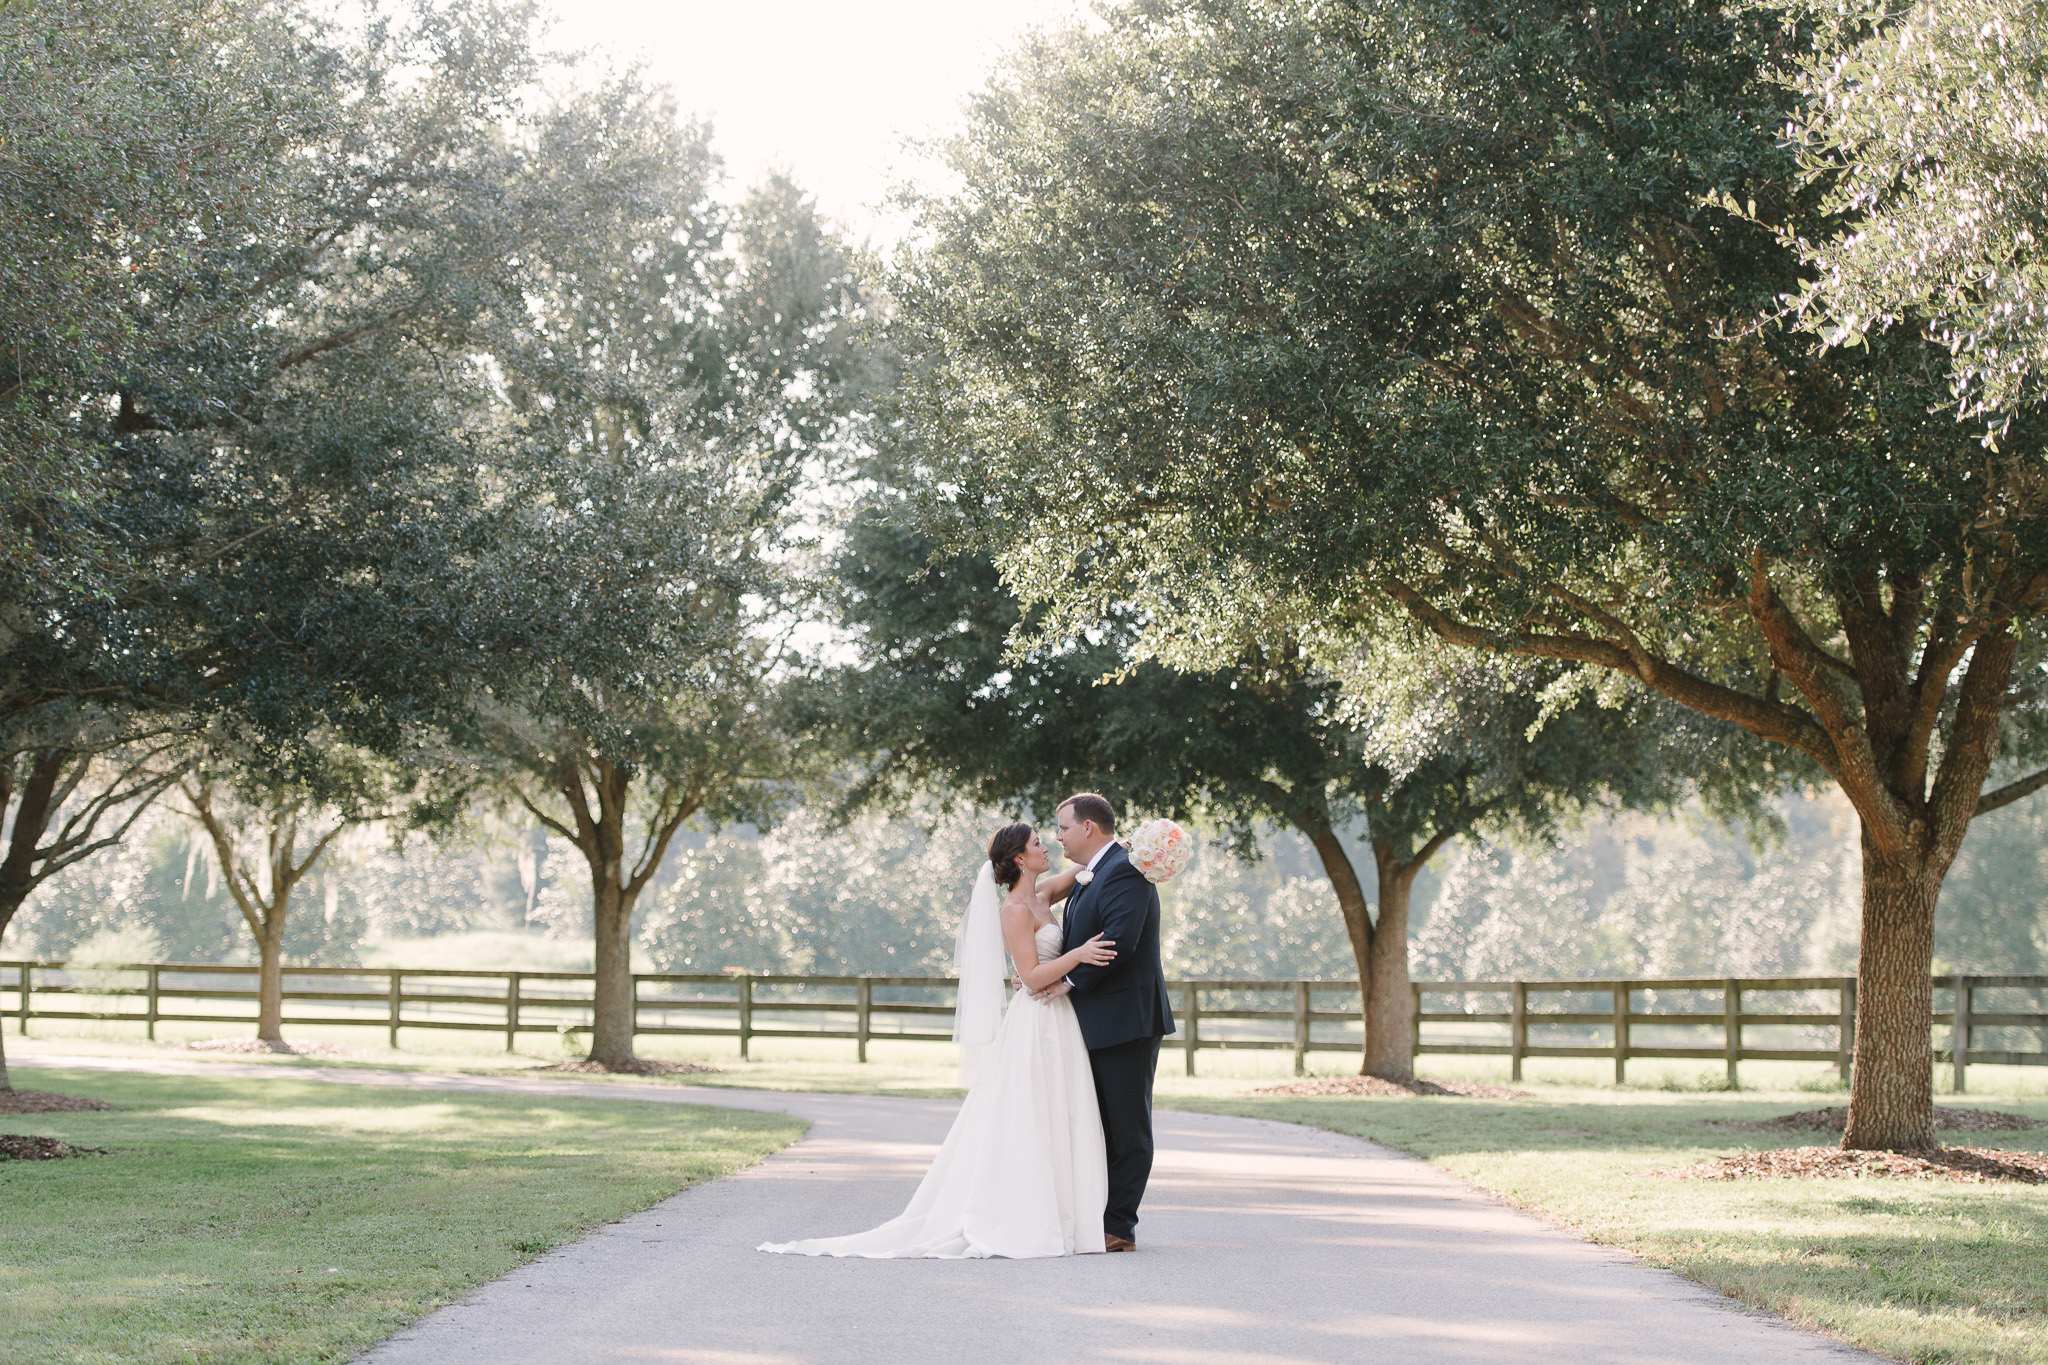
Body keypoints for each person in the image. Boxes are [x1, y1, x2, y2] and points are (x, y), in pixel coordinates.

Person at [757, 823, 1115, 1258]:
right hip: (1035, 1019)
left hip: (1059, 1017)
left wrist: (1132, 847)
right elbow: (1031, 976)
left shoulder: (1042, 895)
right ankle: (1022, 1213)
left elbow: (1086, 870)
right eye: (1039, 843)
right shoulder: (1015, 911)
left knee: (1063, 1110)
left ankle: (1068, 1215)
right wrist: (1077, 956)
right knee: (1032, 1110)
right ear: (1020, 858)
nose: (1049, 846)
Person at [1049, 792, 1174, 1252]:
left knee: (1127, 1128)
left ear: (1088, 828)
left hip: (1126, 1020)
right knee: (1097, 1124)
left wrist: (1069, 983)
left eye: (1063, 827)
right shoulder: (1091, 873)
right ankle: (1096, 1217)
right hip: (1095, 1020)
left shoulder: (1125, 869)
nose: (1057, 836)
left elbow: (1119, 941)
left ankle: (1119, 1226)